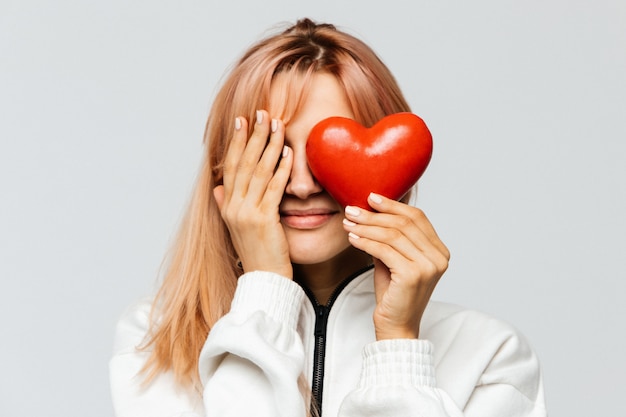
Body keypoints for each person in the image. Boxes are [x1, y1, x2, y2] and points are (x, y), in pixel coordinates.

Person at [109, 18, 547, 417]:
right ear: (227, 171)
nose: (302, 186)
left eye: (326, 152)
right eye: (273, 154)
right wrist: (264, 293)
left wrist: (397, 346)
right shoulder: (154, 342)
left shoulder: (491, 356)